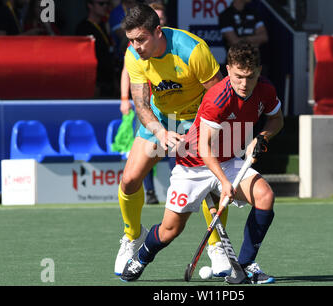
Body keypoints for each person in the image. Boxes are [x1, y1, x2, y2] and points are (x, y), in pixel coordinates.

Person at [121, 41, 284, 284]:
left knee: (265, 196)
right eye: (238, 76)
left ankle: (246, 266)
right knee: (170, 230)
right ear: (227, 69)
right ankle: (142, 256)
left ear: (259, 71)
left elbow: (276, 120)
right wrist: (222, 183)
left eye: (250, 77)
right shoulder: (217, 97)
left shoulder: (266, 90)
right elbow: (204, 147)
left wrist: (262, 137)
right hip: (193, 165)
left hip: (228, 161)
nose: (244, 84)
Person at [113, 3, 231, 277]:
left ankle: (217, 247)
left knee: (208, 181)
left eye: (141, 39)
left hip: (200, 117)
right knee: (129, 179)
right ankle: (133, 236)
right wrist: (161, 132)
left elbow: (220, 96)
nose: (136, 46)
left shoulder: (192, 49)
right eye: (131, 40)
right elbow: (141, 104)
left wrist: (203, 131)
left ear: (158, 32)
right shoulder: (134, 55)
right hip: (161, 118)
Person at [118, 1, 168, 205]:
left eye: (162, 17)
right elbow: (126, 72)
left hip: (175, 106)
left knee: (179, 152)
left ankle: (180, 187)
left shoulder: (177, 46)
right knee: (145, 155)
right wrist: (124, 99)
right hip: (147, 105)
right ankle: (149, 192)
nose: (138, 44)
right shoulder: (135, 47)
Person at [76, 0, 115, 98]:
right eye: (101, 3)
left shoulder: (104, 25)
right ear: (90, 5)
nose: (105, 6)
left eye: (107, 3)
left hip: (109, 81)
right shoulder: (83, 28)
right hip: (95, 83)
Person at [218, 0, 269, 76]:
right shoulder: (226, 15)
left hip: (255, 64)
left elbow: (264, 37)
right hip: (235, 65)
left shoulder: (253, 13)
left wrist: (243, 40)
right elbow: (234, 42)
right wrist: (254, 41)